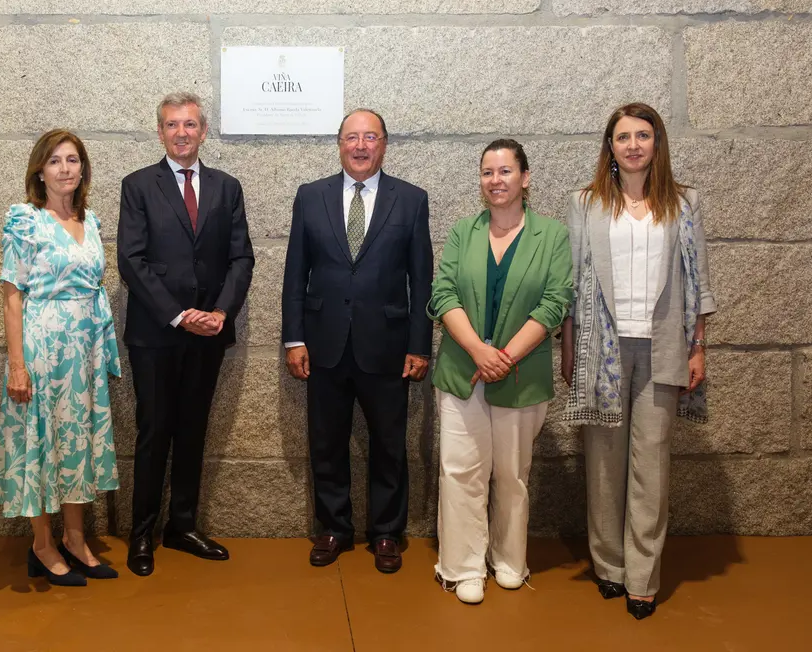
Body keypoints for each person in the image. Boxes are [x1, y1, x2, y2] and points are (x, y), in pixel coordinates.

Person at [561, 102, 716, 620]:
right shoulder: (584, 203)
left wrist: (698, 346)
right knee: (604, 463)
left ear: (657, 143)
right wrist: (570, 349)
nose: (632, 145)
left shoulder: (684, 202)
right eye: (623, 136)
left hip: (663, 346)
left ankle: (642, 576)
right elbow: (572, 283)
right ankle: (609, 566)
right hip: (602, 347)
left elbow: (699, 282)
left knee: (651, 463)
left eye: (642, 135)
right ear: (610, 146)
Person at [281, 109, 432, 574]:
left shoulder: (411, 199)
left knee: (389, 443)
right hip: (323, 344)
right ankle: (333, 528)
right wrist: (293, 338)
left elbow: (421, 279)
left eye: (371, 137)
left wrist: (419, 344)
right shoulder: (311, 196)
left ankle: (387, 533)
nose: (361, 145)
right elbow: (294, 272)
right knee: (326, 442)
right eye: (352, 137)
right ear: (339, 143)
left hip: (387, 345)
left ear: (384, 144)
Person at [427, 139, 573, 604]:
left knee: (512, 473)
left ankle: (510, 560)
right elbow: (442, 294)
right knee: (461, 471)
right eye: (488, 172)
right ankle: (463, 567)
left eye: (506, 171)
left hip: (520, 374)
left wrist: (504, 356)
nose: (496, 180)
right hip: (461, 369)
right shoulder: (462, 233)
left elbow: (556, 302)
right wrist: (477, 351)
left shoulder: (552, 236)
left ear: (525, 178)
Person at [117, 92, 254, 577]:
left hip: (210, 334)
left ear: (203, 131)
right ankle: (142, 536)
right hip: (156, 335)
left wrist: (219, 312)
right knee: (155, 432)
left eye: (190, 124)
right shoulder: (137, 186)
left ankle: (183, 526)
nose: (181, 132)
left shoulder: (226, 187)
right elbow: (131, 261)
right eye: (172, 125)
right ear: (160, 132)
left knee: (194, 431)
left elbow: (241, 258)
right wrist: (179, 315)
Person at [0, 129, 120, 586]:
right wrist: (17, 364)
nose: (65, 169)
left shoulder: (93, 222)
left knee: (77, 443)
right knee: (42, 443)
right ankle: (42, 545)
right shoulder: (25, 220)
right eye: (54, 161)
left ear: (83, 169)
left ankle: (75, 538)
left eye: (72, 160)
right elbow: (11, 297)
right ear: (39, 171)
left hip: (83, 354)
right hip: (42, 348)